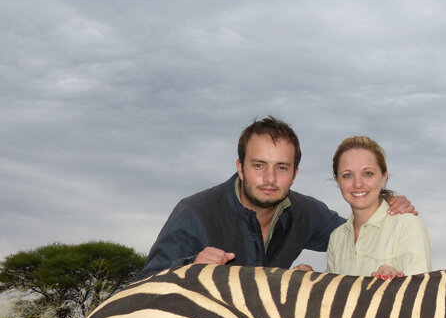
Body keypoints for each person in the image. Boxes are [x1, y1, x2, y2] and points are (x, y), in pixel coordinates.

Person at [136, 117, 415, 280]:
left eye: (281, 168)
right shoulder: (194, 212)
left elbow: (355, 231)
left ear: (294, 174)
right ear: (239, 167)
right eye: (259, 166)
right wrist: (190, 269)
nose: (269, 178)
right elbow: (140, 288)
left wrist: (385, 200)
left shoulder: (305, 212)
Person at [324, 136, 431, 278]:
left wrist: (396, 281)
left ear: (383, 178)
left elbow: (422, 291)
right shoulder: (336, 238)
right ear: (338, 181)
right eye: (347, 175)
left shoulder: (407, 226)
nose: (358, 184)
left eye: (368, 173)